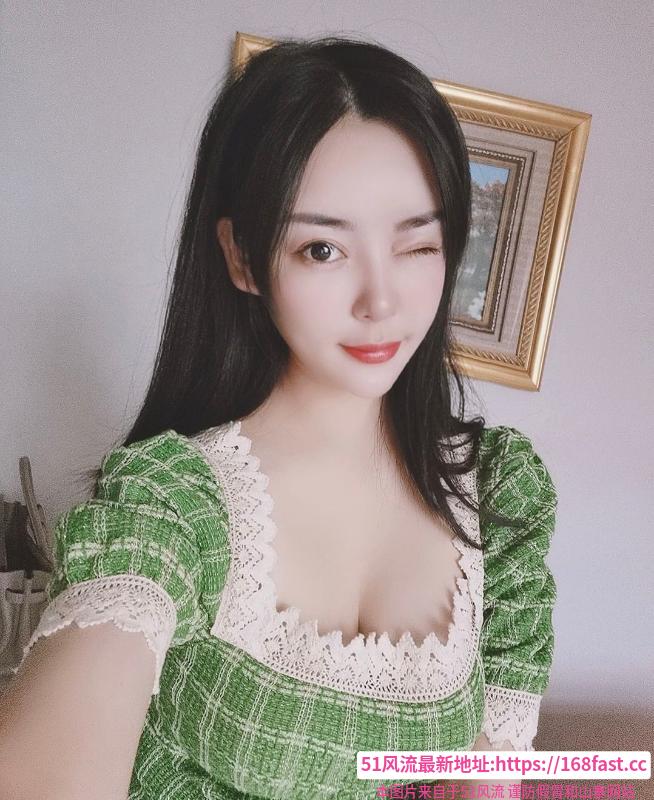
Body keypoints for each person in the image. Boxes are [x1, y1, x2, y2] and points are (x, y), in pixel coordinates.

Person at [0, 34, 557, 800]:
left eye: (416, 246)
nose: (381, 301)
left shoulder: (498, 494)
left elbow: (488, 781)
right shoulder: (176, 503)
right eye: (323, 249)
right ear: (242, 257)